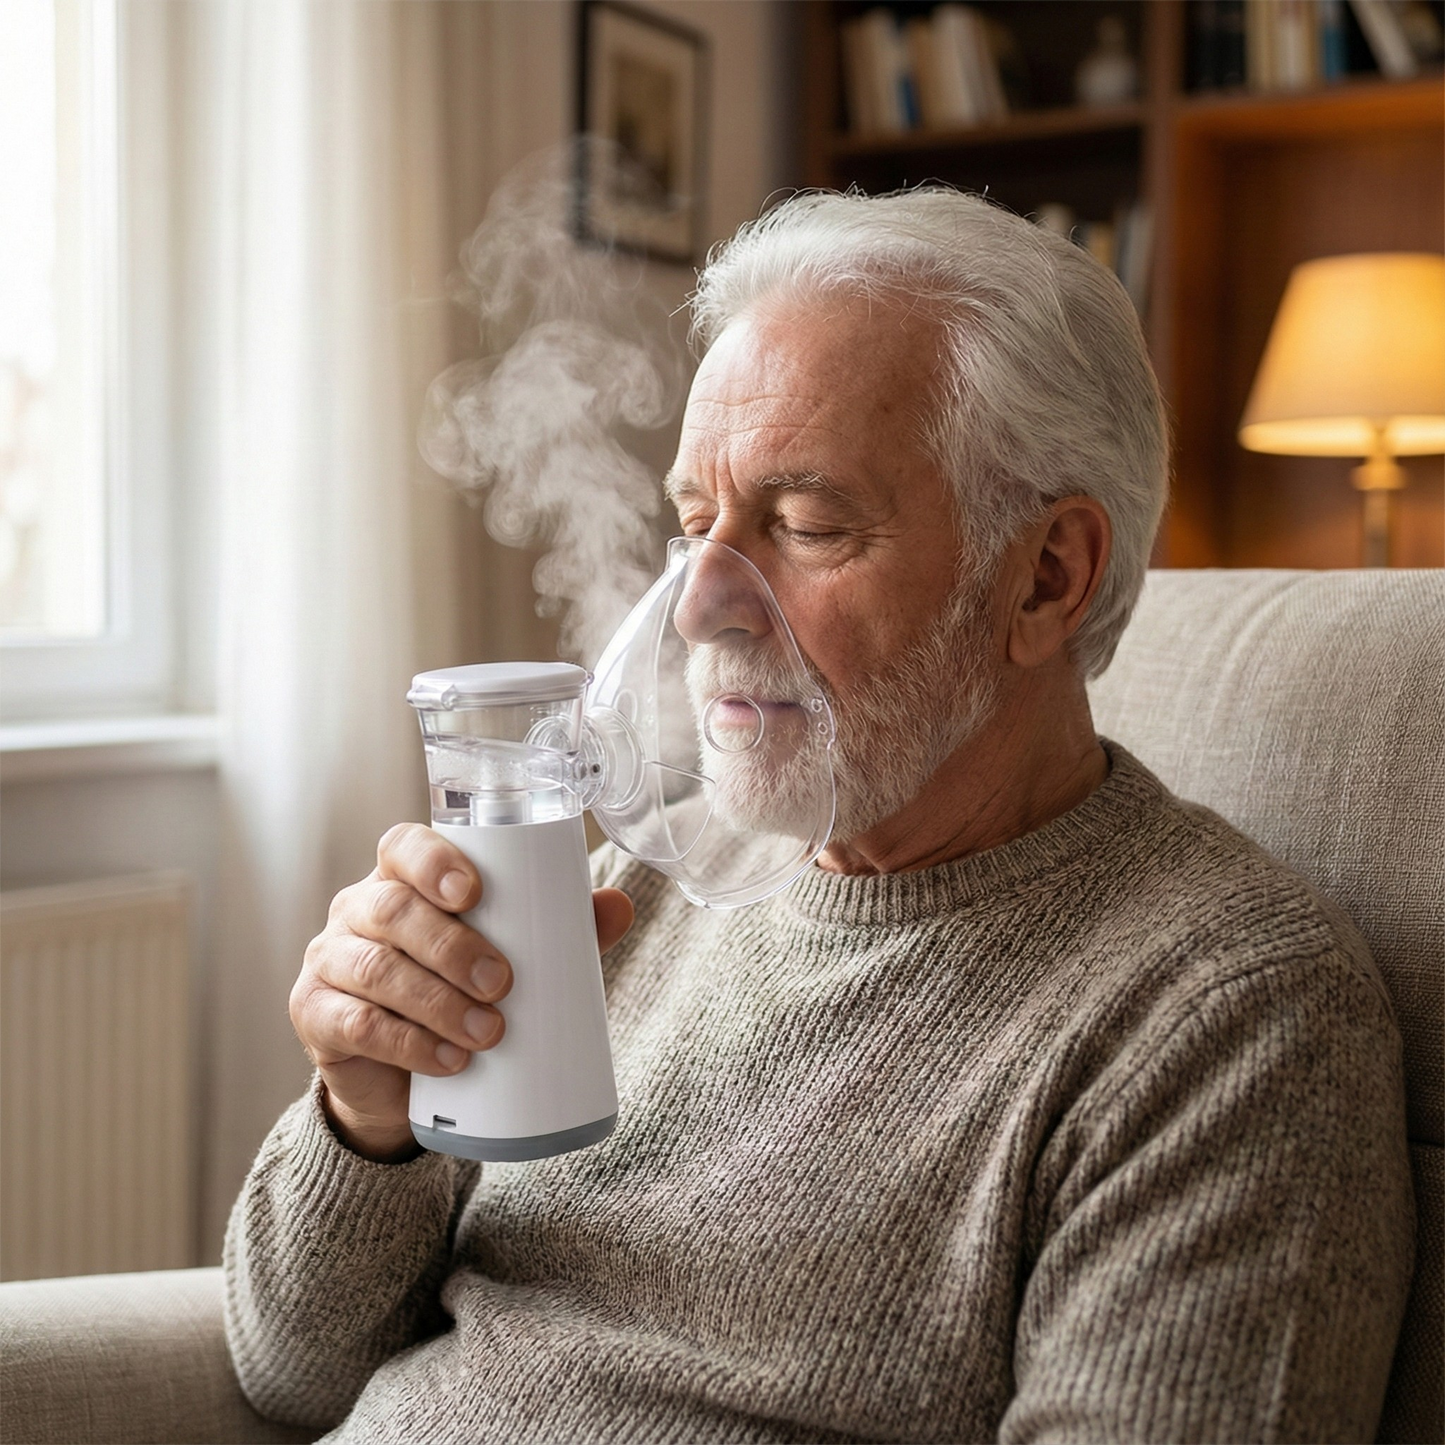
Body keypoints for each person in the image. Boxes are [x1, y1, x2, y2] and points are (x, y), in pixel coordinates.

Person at [224, 190, 1413, 1444]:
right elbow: (290, 1368)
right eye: (695, 528)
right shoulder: (648, 877)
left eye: (803, 524)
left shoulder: (1223, 1017)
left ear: (1044, 575)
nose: (696, 609)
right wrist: (367, 1117)